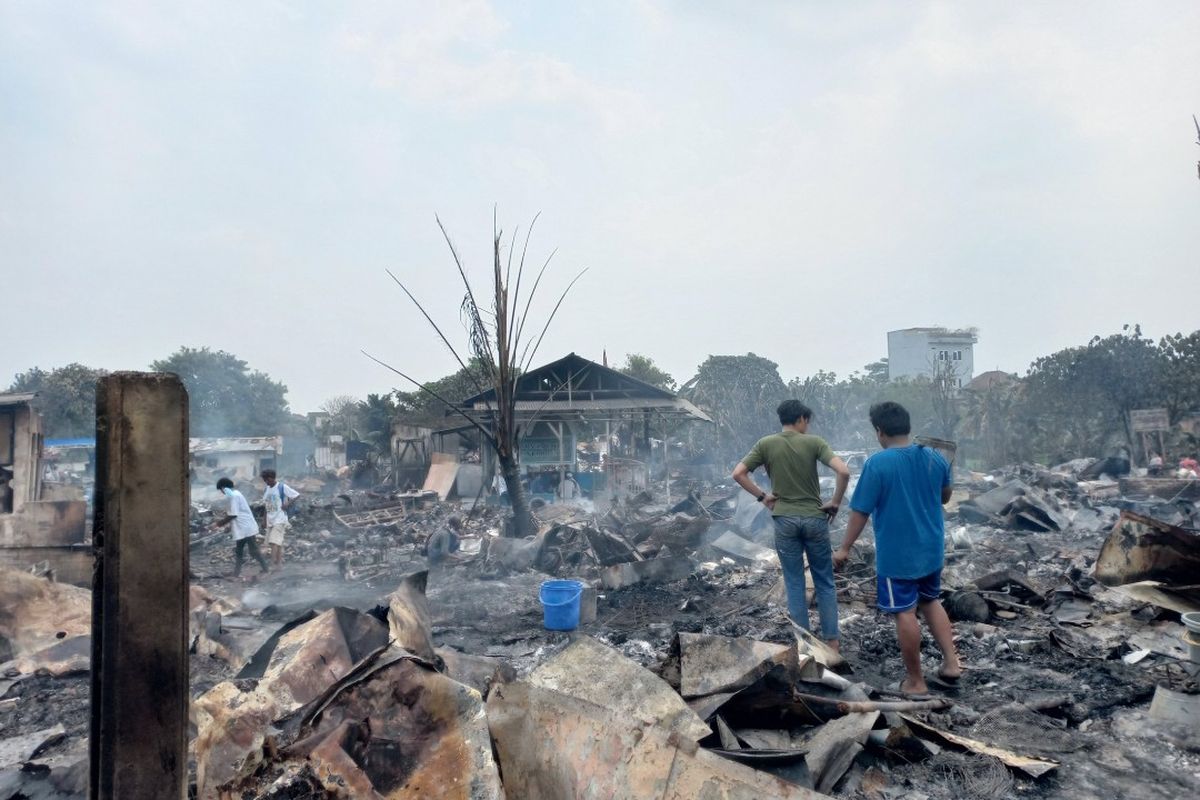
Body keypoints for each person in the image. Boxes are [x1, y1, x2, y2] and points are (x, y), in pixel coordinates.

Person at [833, 402, 961, 698]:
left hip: (898, 555)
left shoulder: (878, 464)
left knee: (905, 612)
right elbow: (944, 497)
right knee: (931, 601)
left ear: (879, 431)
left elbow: (860, 512)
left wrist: (844, 548)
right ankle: (951, 664)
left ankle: (916, 682)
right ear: (908, 426)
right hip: (931, 549)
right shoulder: (934, 458)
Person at [733, 400, 851, 651]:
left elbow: (738, 473)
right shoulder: (815, 443)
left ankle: (804, 645)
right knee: (825, 582)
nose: (807, 426)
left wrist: (763, 497)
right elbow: (843, 471)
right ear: (801, 419)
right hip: (815, 518)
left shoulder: (765, 443)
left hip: (784, 519)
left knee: (795, 582)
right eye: (806, 421)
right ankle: (832, 643)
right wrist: (836, 502)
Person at [212, 477, 268, 578]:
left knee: (253, 551)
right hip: (242, 528)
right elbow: (234, 513)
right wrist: (229, 527)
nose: (222, 492)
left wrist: (218, 524)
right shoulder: (235, 495)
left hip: (246, 527)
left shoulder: (234, 496)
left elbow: (233, 515)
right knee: (239, 551)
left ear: (224, 488)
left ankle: (265, 569)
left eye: (221, 489)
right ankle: (236, 573)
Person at [261, 469, 299, 567]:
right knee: (278, 543)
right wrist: (264, 519)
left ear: (272, 478)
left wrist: (287, 503)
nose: (266, 482)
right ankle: (279, 565)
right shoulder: (266, 489)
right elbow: (266, 505)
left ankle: (271, 565)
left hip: (280, 518)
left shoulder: (282, 487)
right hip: (270, 519)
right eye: (265, 480)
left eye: (267, 480)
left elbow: (296, 495)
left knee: (273, 542)